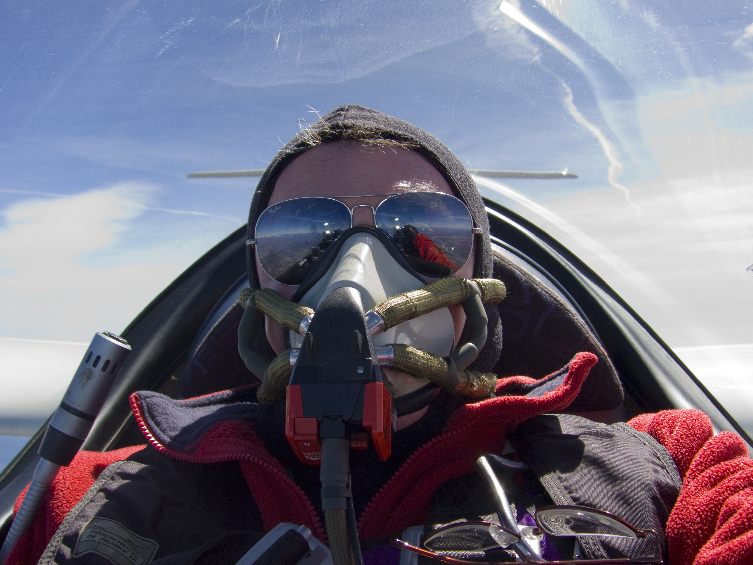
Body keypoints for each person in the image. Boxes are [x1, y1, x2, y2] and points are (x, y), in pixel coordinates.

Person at [4, 105, 753, 565]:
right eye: (305, 236)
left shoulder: (668, 461)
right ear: (260, 283)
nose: (357, 270)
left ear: (478, 281)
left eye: (420, 230)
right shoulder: (86, 494)